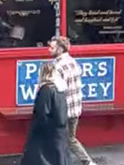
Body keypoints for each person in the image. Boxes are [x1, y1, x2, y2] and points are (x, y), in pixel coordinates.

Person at [48, 36, 94, 165]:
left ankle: (87, 162)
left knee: (66, 138)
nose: (49, 50)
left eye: (52, 48)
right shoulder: (73, 62)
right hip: (75, 108)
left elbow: (56, 89)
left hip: (62, 110)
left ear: (60, 49)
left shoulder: (57, 66)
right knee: (67, 138)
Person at [20, 62, 70, 165]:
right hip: (59, 131)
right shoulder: (60, 88)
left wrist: (34, 130)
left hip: (46, 134)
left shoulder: (46, 90)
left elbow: (42, 113)